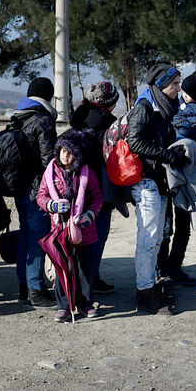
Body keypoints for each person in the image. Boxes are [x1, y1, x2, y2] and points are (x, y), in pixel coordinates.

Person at [125, 62, 190, 314]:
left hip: (159, 182)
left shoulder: (163, 108)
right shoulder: (144, 107)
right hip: (146, 182)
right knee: (148, 240)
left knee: (156, 240)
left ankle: (150, 288)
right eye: (174, 84)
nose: (178, 88)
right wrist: (169, 156)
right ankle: (144, 295)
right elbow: (135, 142)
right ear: (162, 84)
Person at [35, 130, 105, 321]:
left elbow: (97, 197)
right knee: (62, 267)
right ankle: (64, 306)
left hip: (84, 228)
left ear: (78, 155)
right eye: (63, 151)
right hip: (59, 228)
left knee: (84, 268)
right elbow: (41, 196)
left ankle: (85, 304)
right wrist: (52, 205)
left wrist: (89, 215)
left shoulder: (87, 173)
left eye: (70, 152)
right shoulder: (50, 173)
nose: (65, 156)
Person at [158, 69, 196, 288]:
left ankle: (173, 268)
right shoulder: (183, 103)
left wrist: (170, 130)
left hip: (184, 170)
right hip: (171, 168)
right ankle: (163, 269)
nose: (183, 95)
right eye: (182, 91)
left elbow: (187, 134)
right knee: (166, 226)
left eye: (188, 94)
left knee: (181, 224)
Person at [68, 81, 121, 295]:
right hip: (101, 186)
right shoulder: (111, 125)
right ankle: (91, 277)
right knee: (99, 233)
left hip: (76, 185)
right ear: (109, 104)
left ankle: (73, 278)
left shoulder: (77, 119)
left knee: (76, 234)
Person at [12, 77, 58, 308]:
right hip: (37, 191)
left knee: (25, 237)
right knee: (38, 240)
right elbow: (48, 160)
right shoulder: (43, 120)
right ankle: (36, 291)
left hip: (19, 188)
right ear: (49, 96)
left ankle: (24, 287)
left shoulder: (17, 117)